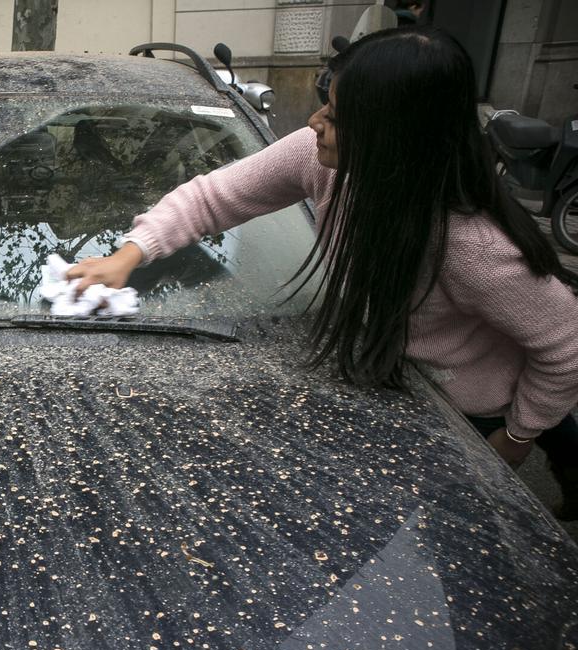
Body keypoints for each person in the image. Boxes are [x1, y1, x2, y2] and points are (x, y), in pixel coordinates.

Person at [67, 26, 578, 518]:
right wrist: (128, 255)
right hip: (397, 376)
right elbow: (214, 195)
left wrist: (515, 439)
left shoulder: (472, 246)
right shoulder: (322, 159)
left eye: (334, 114)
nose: (313, 121)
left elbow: (566, 346)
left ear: (391, 136)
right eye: (325, 103)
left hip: (472, 409)